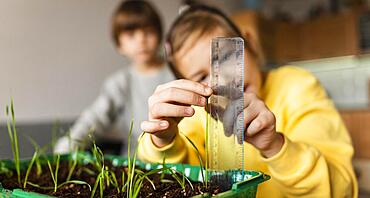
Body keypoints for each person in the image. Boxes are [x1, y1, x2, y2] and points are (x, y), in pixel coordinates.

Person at [138, 5, 357, 197]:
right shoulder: (195, 116)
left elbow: (341, 191)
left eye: (226, 58)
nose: (223, 80)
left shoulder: (298, 86)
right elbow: (168, 182)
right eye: (202, 77)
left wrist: (274, 145)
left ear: (250, 44)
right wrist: (163, 141)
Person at [54, 0, 174, 155]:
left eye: (148, 32)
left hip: (175, 159)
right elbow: (95, 118)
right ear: (119, 44)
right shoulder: (120, 83)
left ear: (159, 35)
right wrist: (68, 146)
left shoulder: (176, 74)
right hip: (134, 165)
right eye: (131, 35)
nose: (141, 40)